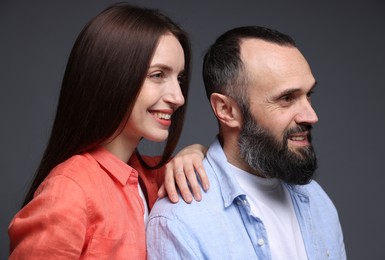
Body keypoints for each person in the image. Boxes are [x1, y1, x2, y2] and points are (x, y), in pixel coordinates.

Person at [8, 3, 209, 259]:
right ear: (113, 76)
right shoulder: (70, 191)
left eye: (179, 79)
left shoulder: (159, 177)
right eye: (158, 75)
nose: (178, 97)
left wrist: (195, 152)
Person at [147, 26, 347, 259]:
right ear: (227, 110)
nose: (311, 116)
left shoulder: (317, 200)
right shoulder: (181, 222)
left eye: (308, 95)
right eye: (286, 98)